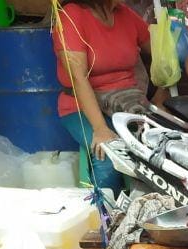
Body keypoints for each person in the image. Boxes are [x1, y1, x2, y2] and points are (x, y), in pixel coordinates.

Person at [54, 0, 152, 192]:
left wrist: (161, 95)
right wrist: (100, 129)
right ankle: (102, 209)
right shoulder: (71, 15)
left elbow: (162, 53)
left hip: (126, 102)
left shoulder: (125, 14)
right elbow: (78, 78)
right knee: (108, 157)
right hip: (80, 106)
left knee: (155, 152)